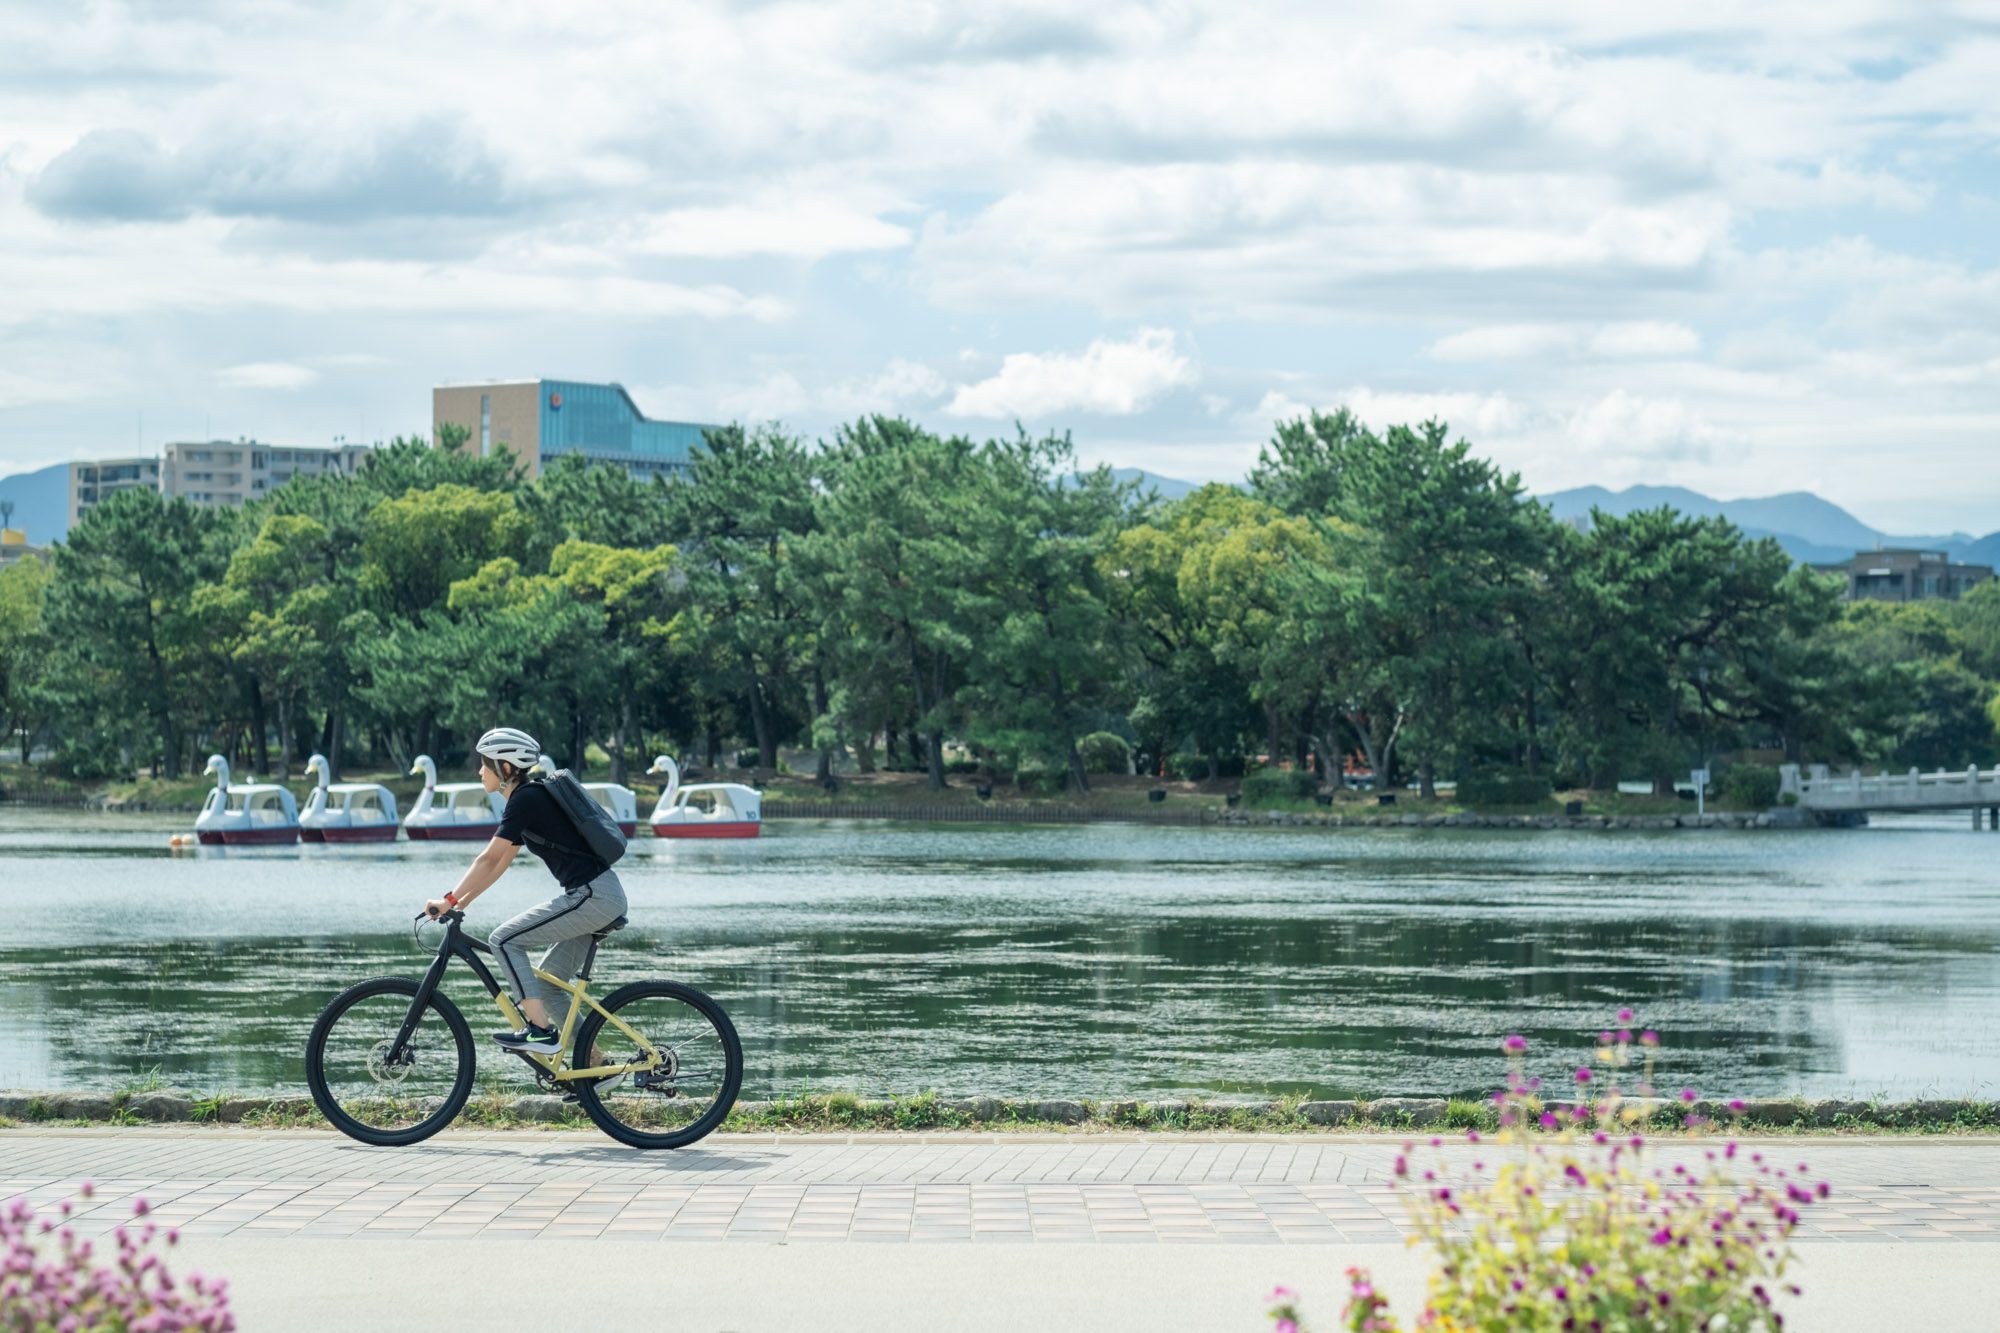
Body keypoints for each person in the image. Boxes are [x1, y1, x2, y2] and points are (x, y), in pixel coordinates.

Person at [424, 726, 628, 1054]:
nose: (479, 771)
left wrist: (447, 900)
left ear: (505, 768)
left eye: (484, 763)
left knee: (503, 940)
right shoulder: (529, 799)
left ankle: (540, 1032)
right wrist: (462, 902)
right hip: (599, 896)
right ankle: (591, 1066)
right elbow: (500, 863)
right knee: (548, 983)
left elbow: (488, 857)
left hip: (593, 896)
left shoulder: (526, 799)